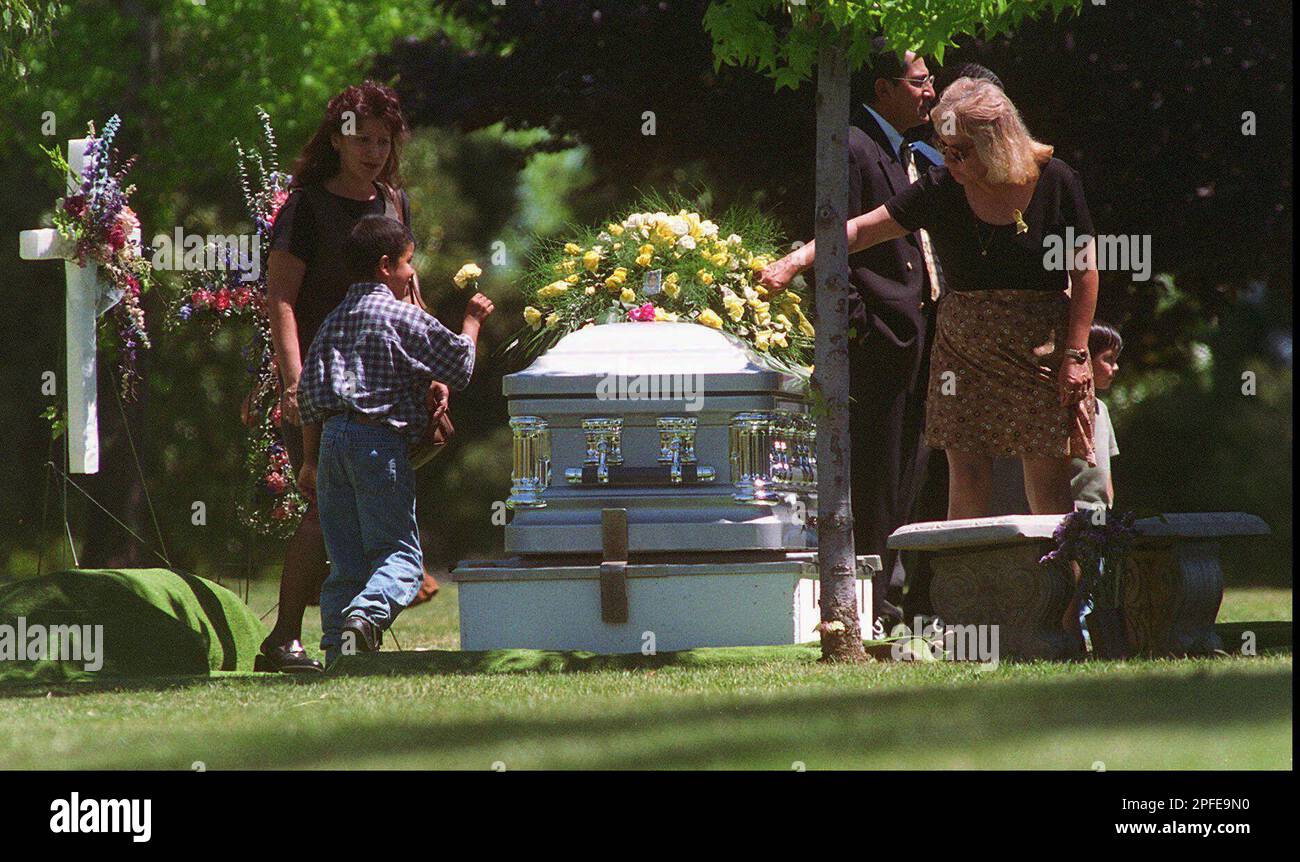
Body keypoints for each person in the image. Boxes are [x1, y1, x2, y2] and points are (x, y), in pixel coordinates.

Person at [761, 77, 1099, 521]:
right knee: (968, 474)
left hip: (1042, 347)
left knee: (1046, 480)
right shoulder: (943, 186)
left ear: (997, 141)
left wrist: (1076, 353)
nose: (948, 159)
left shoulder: (1056, 181)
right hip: (964, 348)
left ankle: (1065, 586)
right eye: (944, 146)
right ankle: (967, 585)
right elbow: (862, 229)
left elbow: (1086, 270)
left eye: (960, 150)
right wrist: (795, 262)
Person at [259, 81, 439, 673]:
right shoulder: (305, 208)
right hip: (322, 383)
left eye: (384, 141)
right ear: (337, 139)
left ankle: (347, 637)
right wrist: (293, 383)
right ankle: (285, 638)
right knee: (321, 507)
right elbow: (280, 299)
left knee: (369, 501)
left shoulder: (394, 203)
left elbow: (408, 291)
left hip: (388, 382)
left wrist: (430, 367)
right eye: (362, 139)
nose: (374, 151)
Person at [295, 215, 494, 666]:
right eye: (408, 263)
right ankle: (365, 617)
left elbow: (308, 394)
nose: (412, 273)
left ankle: (339, 654)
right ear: (386, 265)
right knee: (401, 558)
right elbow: (459, 367)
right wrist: (472, 321)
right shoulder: (400, 315)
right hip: (376, 444)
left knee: (344, 563)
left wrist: (308, 460)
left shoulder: (333, 320)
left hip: (330, 445)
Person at [840, 40, 941, 631]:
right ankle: (871, 608)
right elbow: (841, 240)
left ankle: (905, 601)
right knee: (876, 477)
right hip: (882, 337)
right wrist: (860, 327)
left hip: (926, 335)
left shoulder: (918, 153)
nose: (930, 90)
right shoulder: (854, 146)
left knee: (914, 473)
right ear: (881, 88)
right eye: (918, 81)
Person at [1072, 322, 1122, 508]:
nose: (1115, 367)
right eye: (1108, 359)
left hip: (1098, 510)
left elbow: (1105, 470)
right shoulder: (1062, 407)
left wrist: (1108, 505)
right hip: (1068, 510)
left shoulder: (1102, 409)